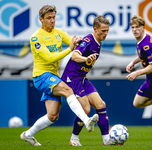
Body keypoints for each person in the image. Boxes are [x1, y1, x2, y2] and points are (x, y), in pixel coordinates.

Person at [20, 5, 98, 146]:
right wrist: (69, 49)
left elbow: (73, 43)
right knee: (68, 90)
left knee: (52, 116)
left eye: (54, 17)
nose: (52, 20)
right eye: (49, 18)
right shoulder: (36, 38)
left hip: (54, 77)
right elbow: (50, 58)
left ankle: (27, 135)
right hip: (41, 76)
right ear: (41, 20)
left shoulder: (58, 32)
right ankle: (87, 121)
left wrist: (80, 42)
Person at [61, 16, 115, 146]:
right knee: (85, 110)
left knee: (101, 105)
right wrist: (85, 59)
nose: (105, 33)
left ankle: (106, 140)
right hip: (72, 78)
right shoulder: (88, 40)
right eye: (103, 31)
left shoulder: (98, 41)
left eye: (107, 30)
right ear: (95, 29)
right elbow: (74, 55)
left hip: (82, 78)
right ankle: (74, 139)